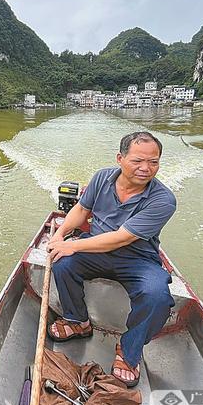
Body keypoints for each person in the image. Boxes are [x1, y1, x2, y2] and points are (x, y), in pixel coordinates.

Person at [46, 131, 177, 388]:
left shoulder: (163, 200)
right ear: (120, 158)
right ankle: (77, 321)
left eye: (153, 162)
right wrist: (60, 235)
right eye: (137, 160)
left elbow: (121, 238)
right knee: (62, 262)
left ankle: (129, 351)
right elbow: (82, 209)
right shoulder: (102, 178)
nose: (146, 168)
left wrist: (74, 245)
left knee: (157, 296)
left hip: (137, 259)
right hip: (96, 252)